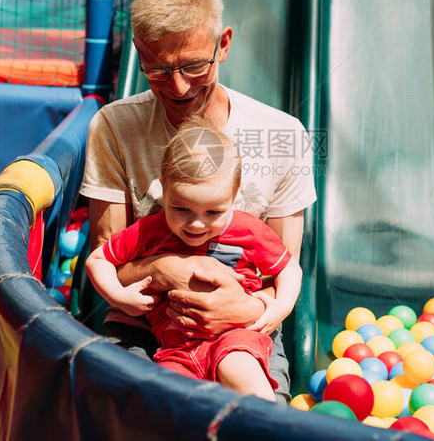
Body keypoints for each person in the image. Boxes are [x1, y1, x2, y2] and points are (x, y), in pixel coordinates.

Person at [79, 0, 317, 401]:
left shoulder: (284, 135)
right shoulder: (115, 127)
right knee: (130, 411)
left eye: (193, 65)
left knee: (260, 422)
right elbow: (109, 258)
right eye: (157, 68)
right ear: (138, 54)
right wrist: (160, 269)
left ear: (222, 44)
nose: (179, 85)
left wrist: (250, 309)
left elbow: (283, 267)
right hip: (146, 326)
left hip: (242, 331)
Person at [86, 121, 302, 400]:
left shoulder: (247, 230)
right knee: (166, 399)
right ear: (164, 189)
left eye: (213, 212)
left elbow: (288, 268)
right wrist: (118, 296)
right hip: (176, 347)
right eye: (181, 208)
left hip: (235, 336)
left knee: (239, 370)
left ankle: (263, 426)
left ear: (234, 197)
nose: (197, 224)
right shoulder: (149, 230)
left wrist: (278, 309)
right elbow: (98, 259)